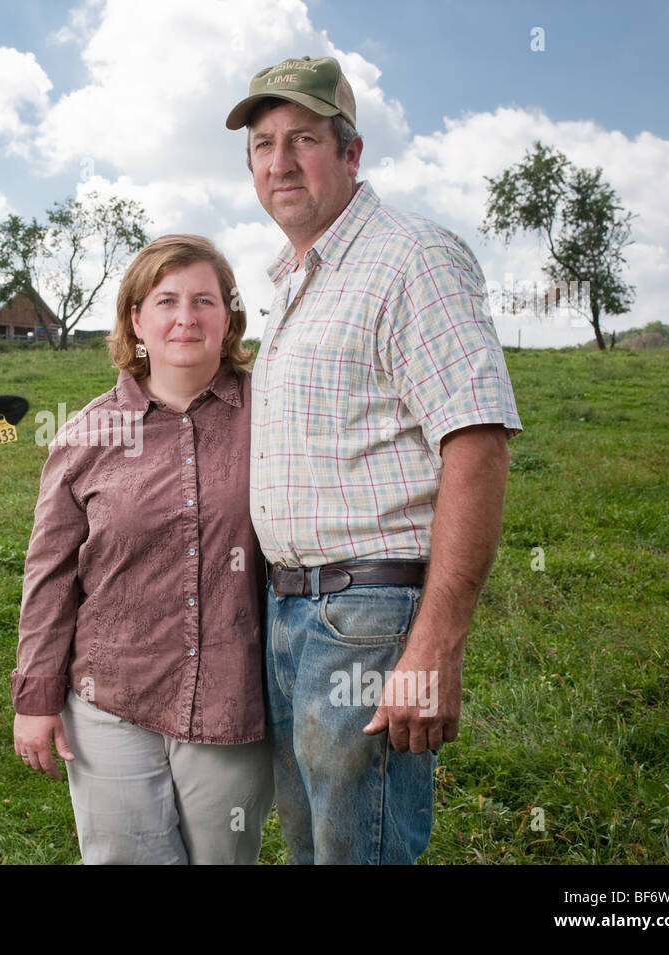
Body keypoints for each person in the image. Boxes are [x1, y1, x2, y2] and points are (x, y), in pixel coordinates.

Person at [226, 56, 523, 864]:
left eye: (304, 140)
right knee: (317, 842)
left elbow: (477, 440)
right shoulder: (292, 279)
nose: (280, 162)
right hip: (289, 613)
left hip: (366, 616)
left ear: (351, 154)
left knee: (359, 851)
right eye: (262, 144)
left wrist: (433, 647)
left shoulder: (411, 257)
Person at [11, 234, 273, 865]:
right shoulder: (87, 434)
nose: (186, 318)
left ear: (229, 315)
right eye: (166, 301)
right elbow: (49, 576)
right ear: (136, 318)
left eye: (204, 300)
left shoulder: (273, 415)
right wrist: (36, 698)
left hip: (231, 697)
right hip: (110, 700)